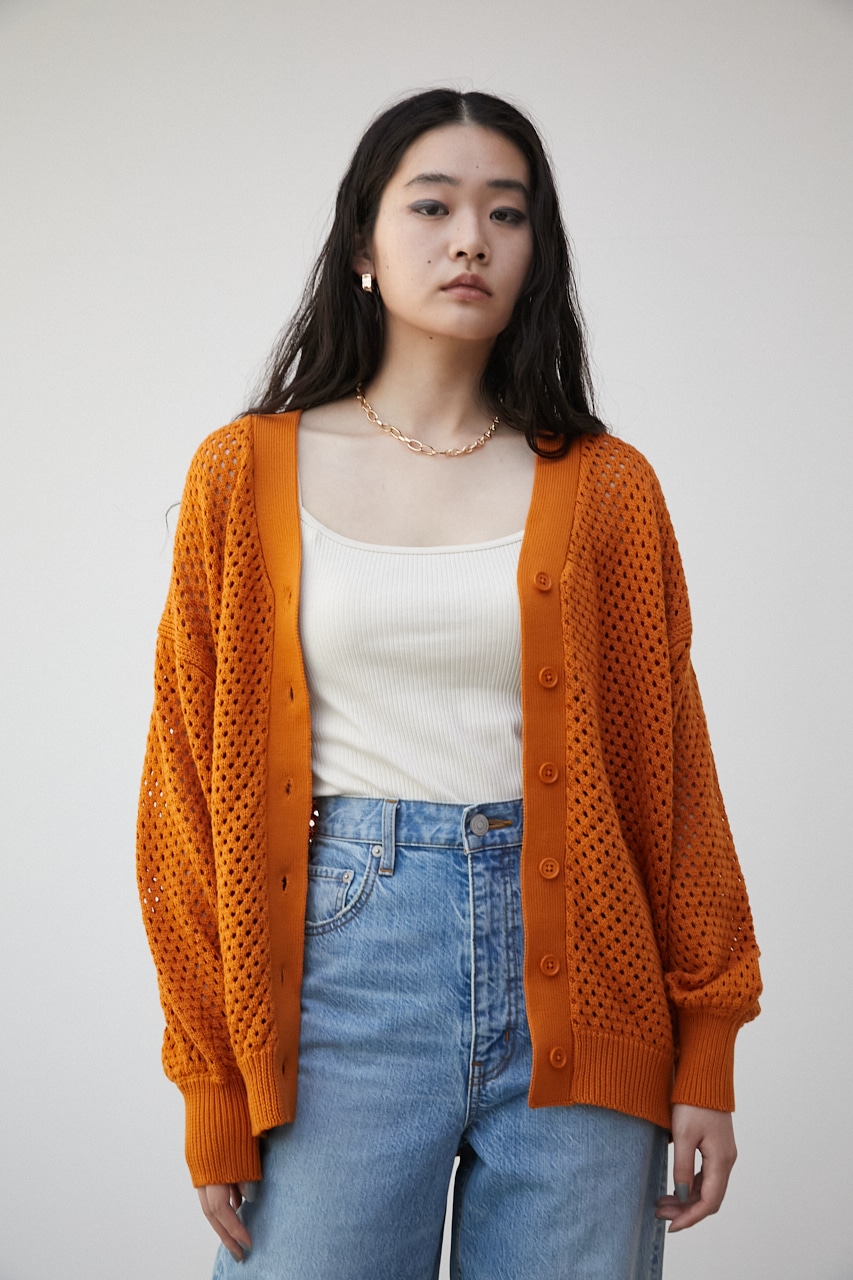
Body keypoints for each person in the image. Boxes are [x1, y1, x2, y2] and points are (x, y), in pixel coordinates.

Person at [137, 88, 761, 1280]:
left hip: (590, 978)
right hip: (338, 979)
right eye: (432, 206)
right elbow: (182, 794)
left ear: (536, 252)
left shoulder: (609, 487)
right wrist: (210, 1077)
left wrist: (707, 1048)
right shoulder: (241, 473)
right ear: (362, 246)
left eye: (505, 213)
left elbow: (671, 779)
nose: (470, 237)